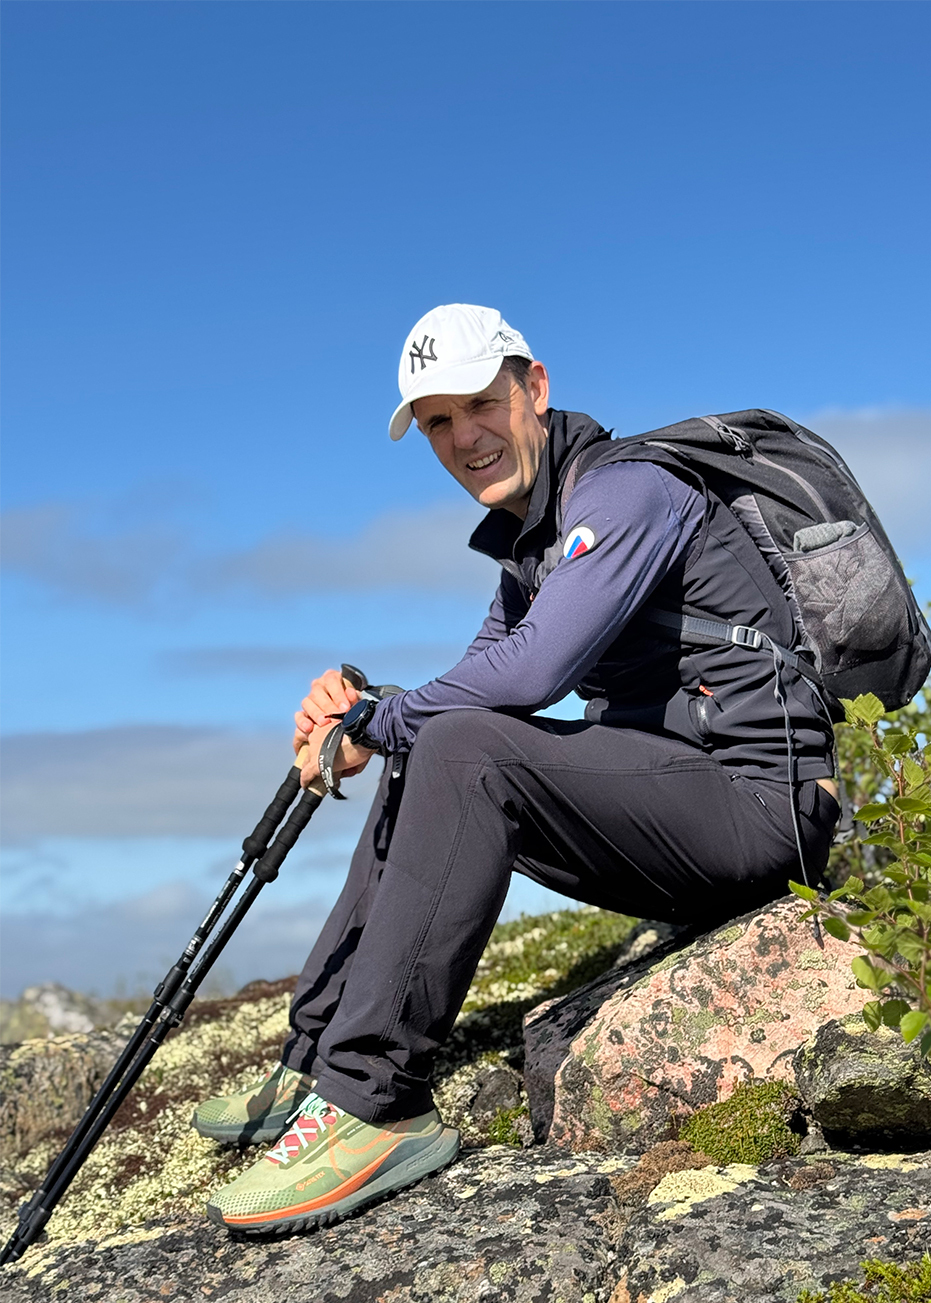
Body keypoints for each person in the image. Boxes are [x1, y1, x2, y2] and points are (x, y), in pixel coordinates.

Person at [195, 303, 841, 1236]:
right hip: (678, 802)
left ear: (534, 388)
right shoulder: (532, 544)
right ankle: (315, 1056)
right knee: (436, 742)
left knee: (453, 745)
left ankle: (376, 1103)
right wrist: (360, 716)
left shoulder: (628, 493)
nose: (464, 438)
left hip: (764, 807)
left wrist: (378, 723)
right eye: (437, 423)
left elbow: (531, 674)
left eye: (478, 405)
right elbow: (472, 685)